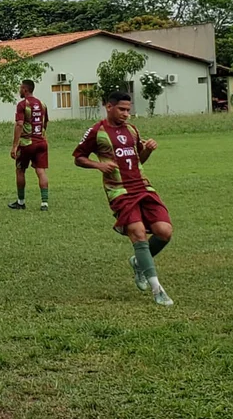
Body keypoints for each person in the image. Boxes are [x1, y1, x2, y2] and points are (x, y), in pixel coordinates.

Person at [73, 91, 174, 306]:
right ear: (108, 107)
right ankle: (157, 290)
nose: (126, 114)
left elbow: (139, 159)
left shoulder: (132, 130)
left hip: (143, 186)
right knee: (137, 234)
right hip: (118, 190)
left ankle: (138, 263)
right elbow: (78, 158)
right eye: (122, 109)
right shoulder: (96, 131)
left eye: (129, 110)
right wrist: (98, 165)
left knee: (164, 232)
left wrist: (148, 150)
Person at [9, 79, 49, 211]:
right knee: (40, 171)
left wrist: (15, 145)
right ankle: (44, 203)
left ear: (25, 90)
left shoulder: (22, 104)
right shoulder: (42, 104)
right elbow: (45, 123)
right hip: (41, 142)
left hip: (27, 142)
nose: (19, 91)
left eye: (20, 88)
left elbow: (19, 124)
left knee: (20, 170)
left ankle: (21, 202)